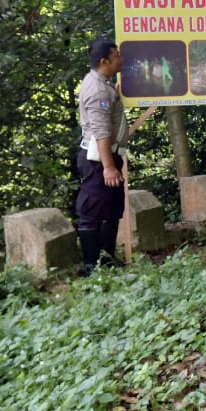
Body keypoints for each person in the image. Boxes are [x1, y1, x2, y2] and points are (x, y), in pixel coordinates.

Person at [75, 37, 129, 276]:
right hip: (97, 159)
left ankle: (107, 257)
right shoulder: (98, 90)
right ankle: (90, 266)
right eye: (117, 55)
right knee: (93, 209)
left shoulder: (103, 83)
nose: (121, 58)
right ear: (104, 61)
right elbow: (101, 131)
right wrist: (108, 166)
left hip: (107, 156)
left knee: (111, 207)